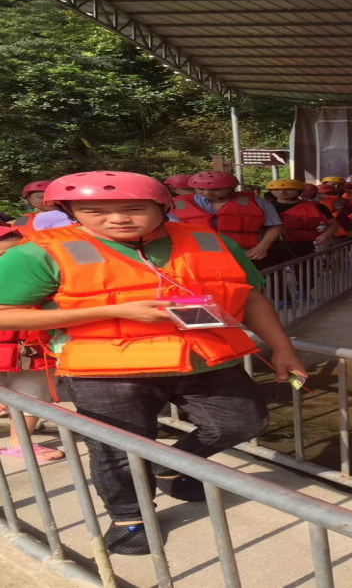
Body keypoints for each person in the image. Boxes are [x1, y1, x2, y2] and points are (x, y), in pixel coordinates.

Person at [0, 171, 306, 555]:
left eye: (135, 208)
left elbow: (251, 298)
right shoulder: (39, 252)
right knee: (118, 450)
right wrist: (114, 311)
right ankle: (129, 518)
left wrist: (283, 348)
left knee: (243, 422)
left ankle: (173, 467)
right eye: (93, 211)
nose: (118, 219)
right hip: (107, 370)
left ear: (163, 206)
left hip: (206, 358)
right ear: (71, 211)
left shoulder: (212, 241)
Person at [0, 226, 65, 463]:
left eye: (12, 254)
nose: (8, 262)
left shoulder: (39, 274)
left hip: (33, 347)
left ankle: (20, 444)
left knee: (33, 394)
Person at [169, 171, 284, 268]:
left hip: (246, 255)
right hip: (199, 256)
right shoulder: (177, 204)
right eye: (200, 189)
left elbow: (275, 225)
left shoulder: (256, 202)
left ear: (231, 188)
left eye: (216, 189)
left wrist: (262, 247)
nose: (207, 193)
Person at [265, 179, 338, 263]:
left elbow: (333, 224)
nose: (281, 192)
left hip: (303, 245)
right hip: (271, 245)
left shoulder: (317, 206)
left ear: (300, 191)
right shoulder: (264, 206)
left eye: (289, 189)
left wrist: (325, 235)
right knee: (273, 270)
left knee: (304, 270)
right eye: (276, 189)